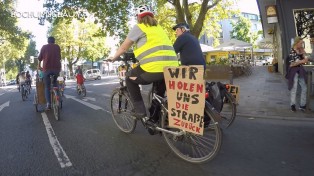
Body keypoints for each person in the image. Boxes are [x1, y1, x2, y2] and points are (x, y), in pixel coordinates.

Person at [108, 4, 178, 121]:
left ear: (138, 17)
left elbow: (124, 47)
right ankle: (157, 120)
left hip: (154, 68)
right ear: (152, 16)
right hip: (172, 68)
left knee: (129, 78)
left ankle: (140, 110)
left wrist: (114, 58)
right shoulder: (159, 28)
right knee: (158, 94)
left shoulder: (140, 27)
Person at [37, 36, 61, 110]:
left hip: (46, 69)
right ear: (54, 41)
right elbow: (59, 57)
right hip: (56, 69)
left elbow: (40, 58)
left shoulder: (44, 47)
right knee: (55, 83)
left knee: (47, 87)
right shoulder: (57, 47)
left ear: (48, 41)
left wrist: (39, 66)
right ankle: (57, 99)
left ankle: (48, 104)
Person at [285, 36, 309, 112]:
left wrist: (304, 53)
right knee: (294, 88)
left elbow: (306, 60)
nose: (302, 44)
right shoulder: (292, 52)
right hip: (293, 71)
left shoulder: (300, 50)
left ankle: (302, 105)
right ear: (297, 43)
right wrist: (301, 61)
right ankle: (292, 105)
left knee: (304, 88)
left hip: (300, 70)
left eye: (302, 43)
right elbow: (292, 64)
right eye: (301, 43)